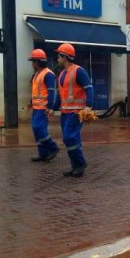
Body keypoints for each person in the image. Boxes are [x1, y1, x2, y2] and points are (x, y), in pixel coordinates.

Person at [50, 42, 94, 177]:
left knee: (69, 138)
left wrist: (88, 106)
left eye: (59, 56)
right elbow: (60, 94)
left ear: (65, 57)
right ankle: (76, 166)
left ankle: (80, 164)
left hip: (76, 112)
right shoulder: (62, 73)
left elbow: (89, 88)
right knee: (73, 139)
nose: (57, 59)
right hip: (64, 113)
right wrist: (53, 108)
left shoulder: (79, 71)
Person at [28, 49, 59, 162]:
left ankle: (53, 148)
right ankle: (43, 153)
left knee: (38, 128)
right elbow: (35, 90)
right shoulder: (37, 74)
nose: (32, 64)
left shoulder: (48, 75)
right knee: (36, 130)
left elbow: (51, 92)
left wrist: (50, 107)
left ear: (38, 62)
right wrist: (30, 102)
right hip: (36, 108)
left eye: (33, 62)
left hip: (43, 108)